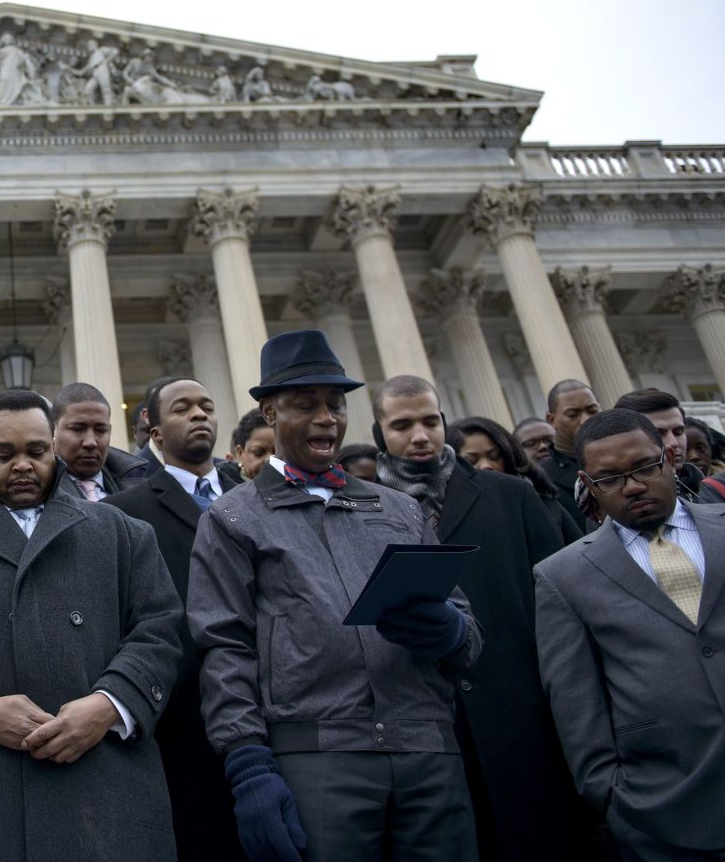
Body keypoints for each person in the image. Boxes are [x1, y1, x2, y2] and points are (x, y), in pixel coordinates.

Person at [188, 330, 483, 862]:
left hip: (428, 750)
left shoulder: (400, 509)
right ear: (270, 415)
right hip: (317, 757)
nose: (327, 417)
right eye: (306, 404)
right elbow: (224, 646)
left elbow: (467, 627)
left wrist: (453, 632)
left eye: (336, 404)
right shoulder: (232, 517)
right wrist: (248, 764)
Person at [0, 389, 184, 862]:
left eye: (36, 451)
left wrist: (109, 705)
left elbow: (160, 631)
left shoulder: (124, 533)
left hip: (108, 788)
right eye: (4, 454)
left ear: (54, 448)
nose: (22, 465)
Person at [373, 376, 590, 862]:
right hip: (424, 731)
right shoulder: (363, 508)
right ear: (380, 432)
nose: (421, 436)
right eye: (402, 425)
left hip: (523, 718)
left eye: (430, 421)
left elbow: (560, 601)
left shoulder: (509, 494)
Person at [535, 409, 725, 861]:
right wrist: (614, 796)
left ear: (668, 459)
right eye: (611, 478)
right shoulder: (563, 576)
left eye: (645, 467)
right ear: (588, 483)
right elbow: (575, 701)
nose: (634, 486)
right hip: (667, 816)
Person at [104, 377, 246, 861]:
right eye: (182, 408)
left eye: (206, 406)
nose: (200, 414)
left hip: (277, 706)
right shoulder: (124, 513)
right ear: (154, 431)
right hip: (185, 720)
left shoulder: (257, 496)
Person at [447, 415, 586, 544]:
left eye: (494, 456)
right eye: (471, 460)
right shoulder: (449, 519)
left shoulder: (543, 503)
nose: (486, 466)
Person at [613, 388, 725, 505]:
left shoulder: (716, 489)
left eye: (678, 432)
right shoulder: (620, 504)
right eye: (658, 433)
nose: (673, 443)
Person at [51, 382, 154, 499]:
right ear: (53, 430)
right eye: (78, 429)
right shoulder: (37, 493)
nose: (90, 442)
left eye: (100, 430)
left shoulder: (144, 485)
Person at [541, 380, 601, 520]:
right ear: (552, 419)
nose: (586, 420)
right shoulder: (543, 477)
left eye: (592, 411)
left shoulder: (623, 457)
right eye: (573, 414)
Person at [229, 408, 274, 480]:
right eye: (258, 453)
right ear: (240, 453)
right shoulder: (226, 488)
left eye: (278, 453)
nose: (269, 459)